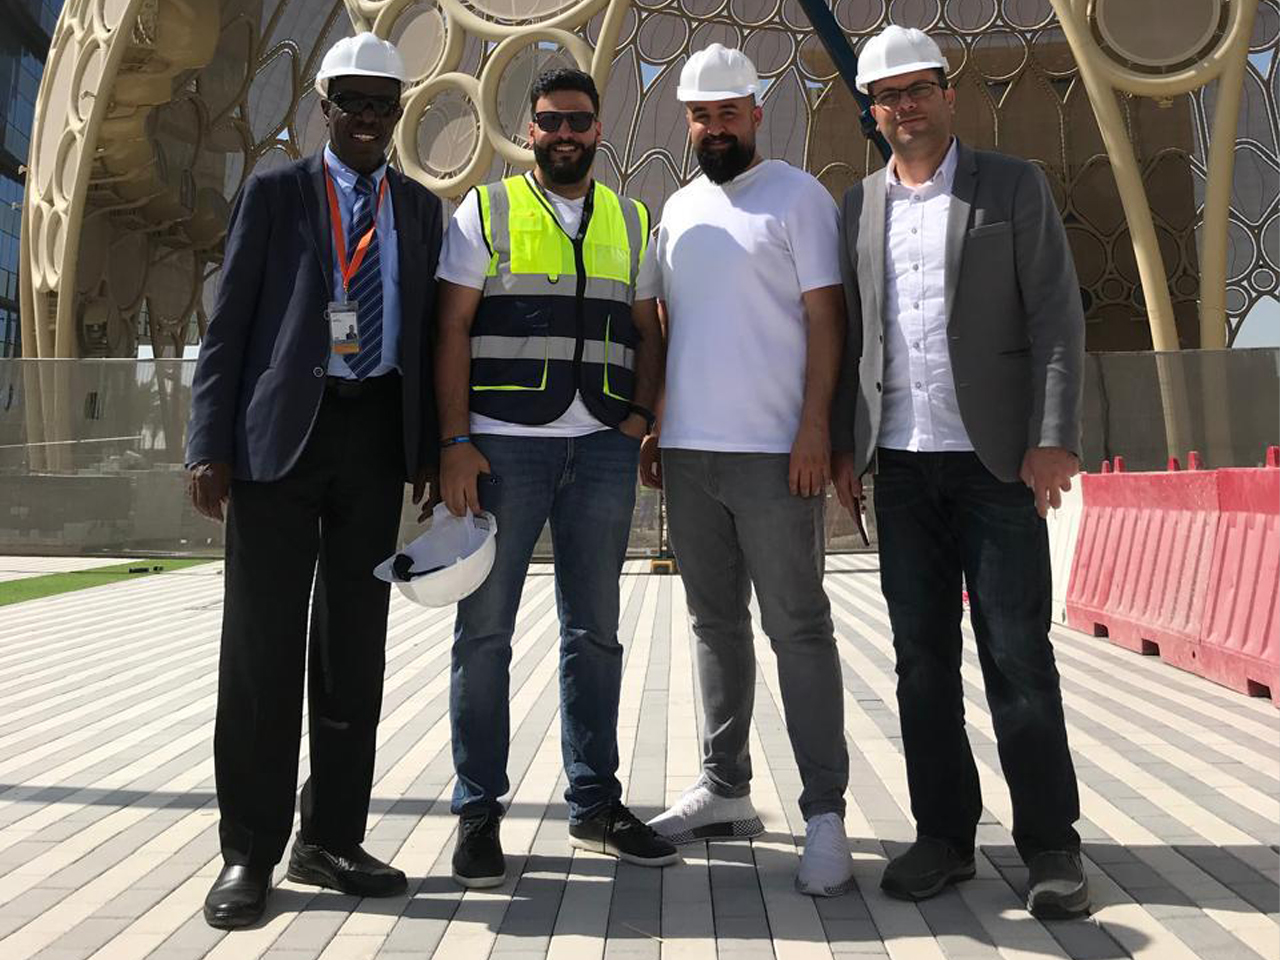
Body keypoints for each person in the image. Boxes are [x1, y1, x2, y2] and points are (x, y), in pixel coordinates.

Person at [830, 25, 1089, 919]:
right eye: (887, 96)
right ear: (872, 111)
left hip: (997, 465)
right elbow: (851, 339)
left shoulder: (1012, 186)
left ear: (948, 94)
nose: (905, 106)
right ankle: (943, 836)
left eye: (918, 89)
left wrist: (1052, 437)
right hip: (902, 467)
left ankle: (1051, 844)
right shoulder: (858, 206)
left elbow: (1055, 316)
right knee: (920, 661)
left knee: (1017, 654)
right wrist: (847, 449)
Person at [185, 33, 443, 928]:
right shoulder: (277, 194)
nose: (367, 117)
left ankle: (330, 837)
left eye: (383, 104)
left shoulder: (420, 208)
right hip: (278, 443)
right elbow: (228, 326)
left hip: (375, 437)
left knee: (353, 652)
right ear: (324, 106)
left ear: (398, 114)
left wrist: (430, 449)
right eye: (353, 102)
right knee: (261, 651)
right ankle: (249, 851)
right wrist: (206, 444)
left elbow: (427, 336)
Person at [434, 66, 677, 888]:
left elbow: (649, 329)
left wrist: (639, 420)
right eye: (550, 121)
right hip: (505, 449)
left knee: (595, 632)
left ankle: (595, 803)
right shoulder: (486, 210)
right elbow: (451, 328)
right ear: (529, 130)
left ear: (598, 129)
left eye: (578, 121)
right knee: (484, 633)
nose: (564, 134)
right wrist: (455, 441)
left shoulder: (631, 218)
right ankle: (477, 811)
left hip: (601, 446)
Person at [639, 44, 855, 897]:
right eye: (702, 114)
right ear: (687, 122)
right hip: (691, 454)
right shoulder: (677, 209)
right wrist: (659, 422)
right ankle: (725, 788)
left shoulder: (799, 199)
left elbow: (827, 321)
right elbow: (664, 322)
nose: (715, 126)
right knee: (713, 624)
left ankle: (826, 811)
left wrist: (815, 429)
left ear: (757, 114)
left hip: (776, 454)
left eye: (729, 111)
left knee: (798, 627)